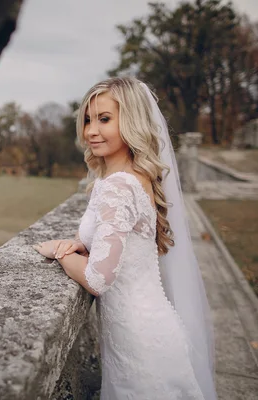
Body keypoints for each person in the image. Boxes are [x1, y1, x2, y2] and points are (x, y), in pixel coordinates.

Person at [33, 77, 217, 399]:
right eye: (88, 120)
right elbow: (119, 239)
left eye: (104, 119)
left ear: (130, 121)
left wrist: (60, 254)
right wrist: (81, 244)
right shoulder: (128, 177)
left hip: (139, 343)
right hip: (145, 330)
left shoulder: (119, 186)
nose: (91, 130)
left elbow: (99, 278)